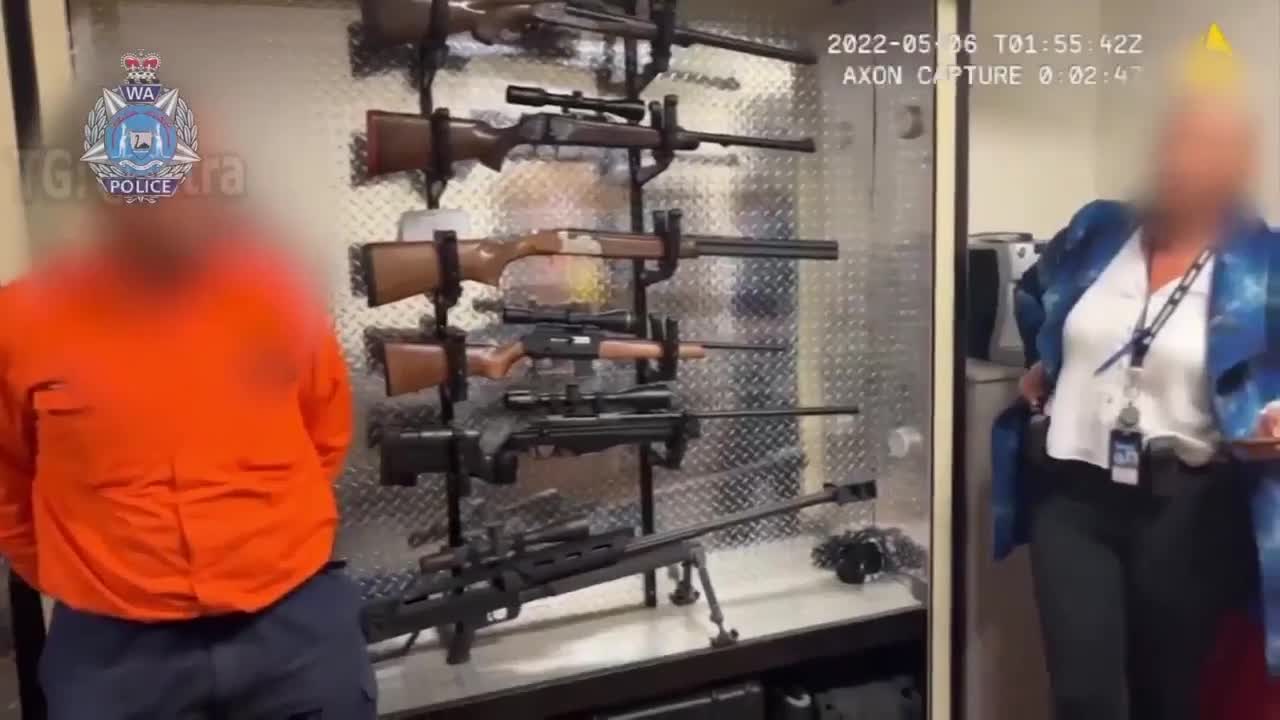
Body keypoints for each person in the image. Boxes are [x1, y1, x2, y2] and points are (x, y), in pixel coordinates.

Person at [0, 162, 372, 717]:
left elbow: (326, 433)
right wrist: (86, 574)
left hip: (294, 631)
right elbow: (7, 481)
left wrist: (265, 544)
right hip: (113, 655)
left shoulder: (277, 299)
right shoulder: (19, 321)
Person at [990, 39, 1279, 720]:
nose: (1187, 158)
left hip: (1189, 511)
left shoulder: (1263, 260)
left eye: (1211, 144)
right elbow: (1036, 295)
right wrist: (1046, 362)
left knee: (1166, 699)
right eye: (1177, 138)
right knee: (1084, 697)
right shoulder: (1098, 228)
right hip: (1072, 494)